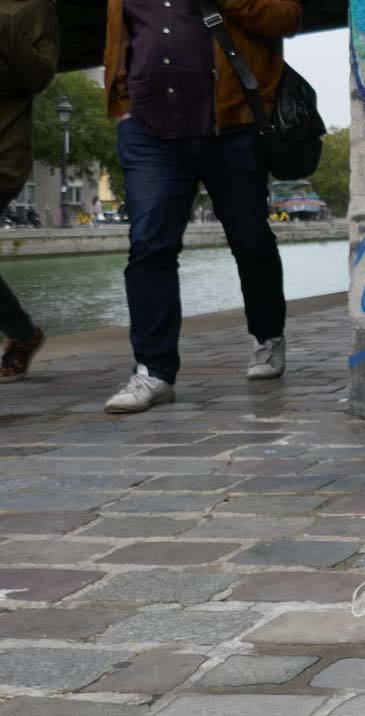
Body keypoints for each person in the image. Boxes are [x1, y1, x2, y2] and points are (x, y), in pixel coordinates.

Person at [101, 0, 301, 413]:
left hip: (233, 127)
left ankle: (268, 336)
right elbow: (120, 38)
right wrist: (122, 102)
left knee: (250, 241)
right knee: (149, 245)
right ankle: (154, 372)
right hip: (149, 130)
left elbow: (288, 18)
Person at [0, 0, 56, 383]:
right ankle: (22, 333)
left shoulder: (34, 7)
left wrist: (4, 29)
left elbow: (38, 77)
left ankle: (22, 333)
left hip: (3, 150)